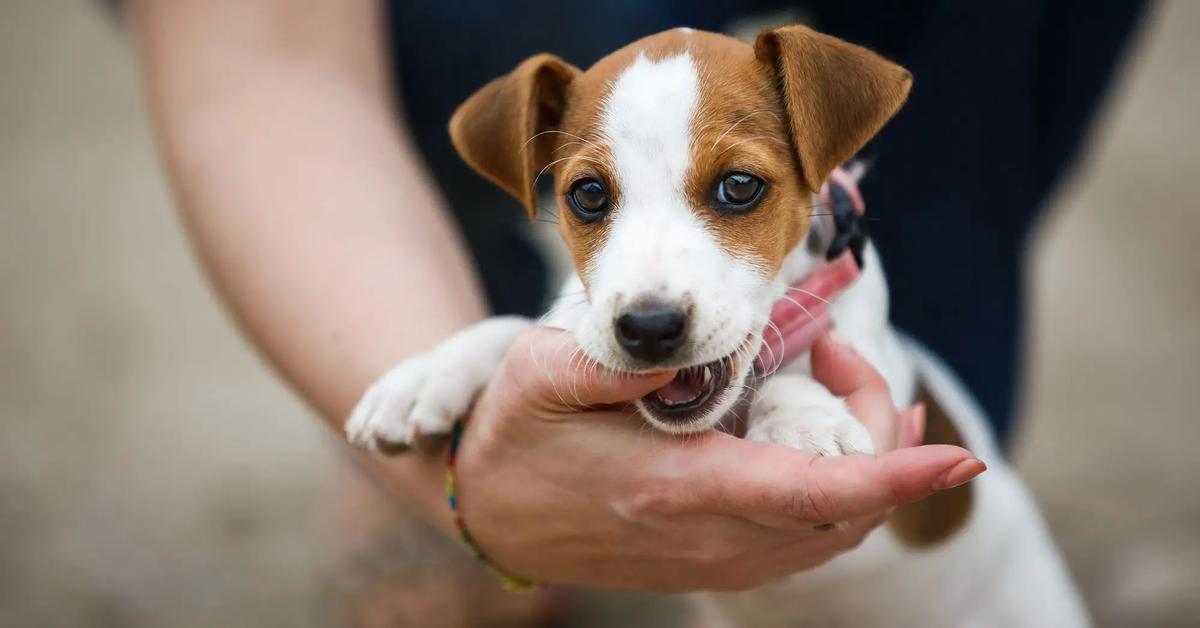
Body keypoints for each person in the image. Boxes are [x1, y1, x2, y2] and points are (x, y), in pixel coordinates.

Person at [127, 0, 1143, 624]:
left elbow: (828, 382)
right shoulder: (614, 284)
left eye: (735, 190)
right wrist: (469, 363)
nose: (648, 291)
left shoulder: (846, 282)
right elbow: (548, 352)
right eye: (595, 198)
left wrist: (791, 412)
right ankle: (434, 492)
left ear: (824, 158)